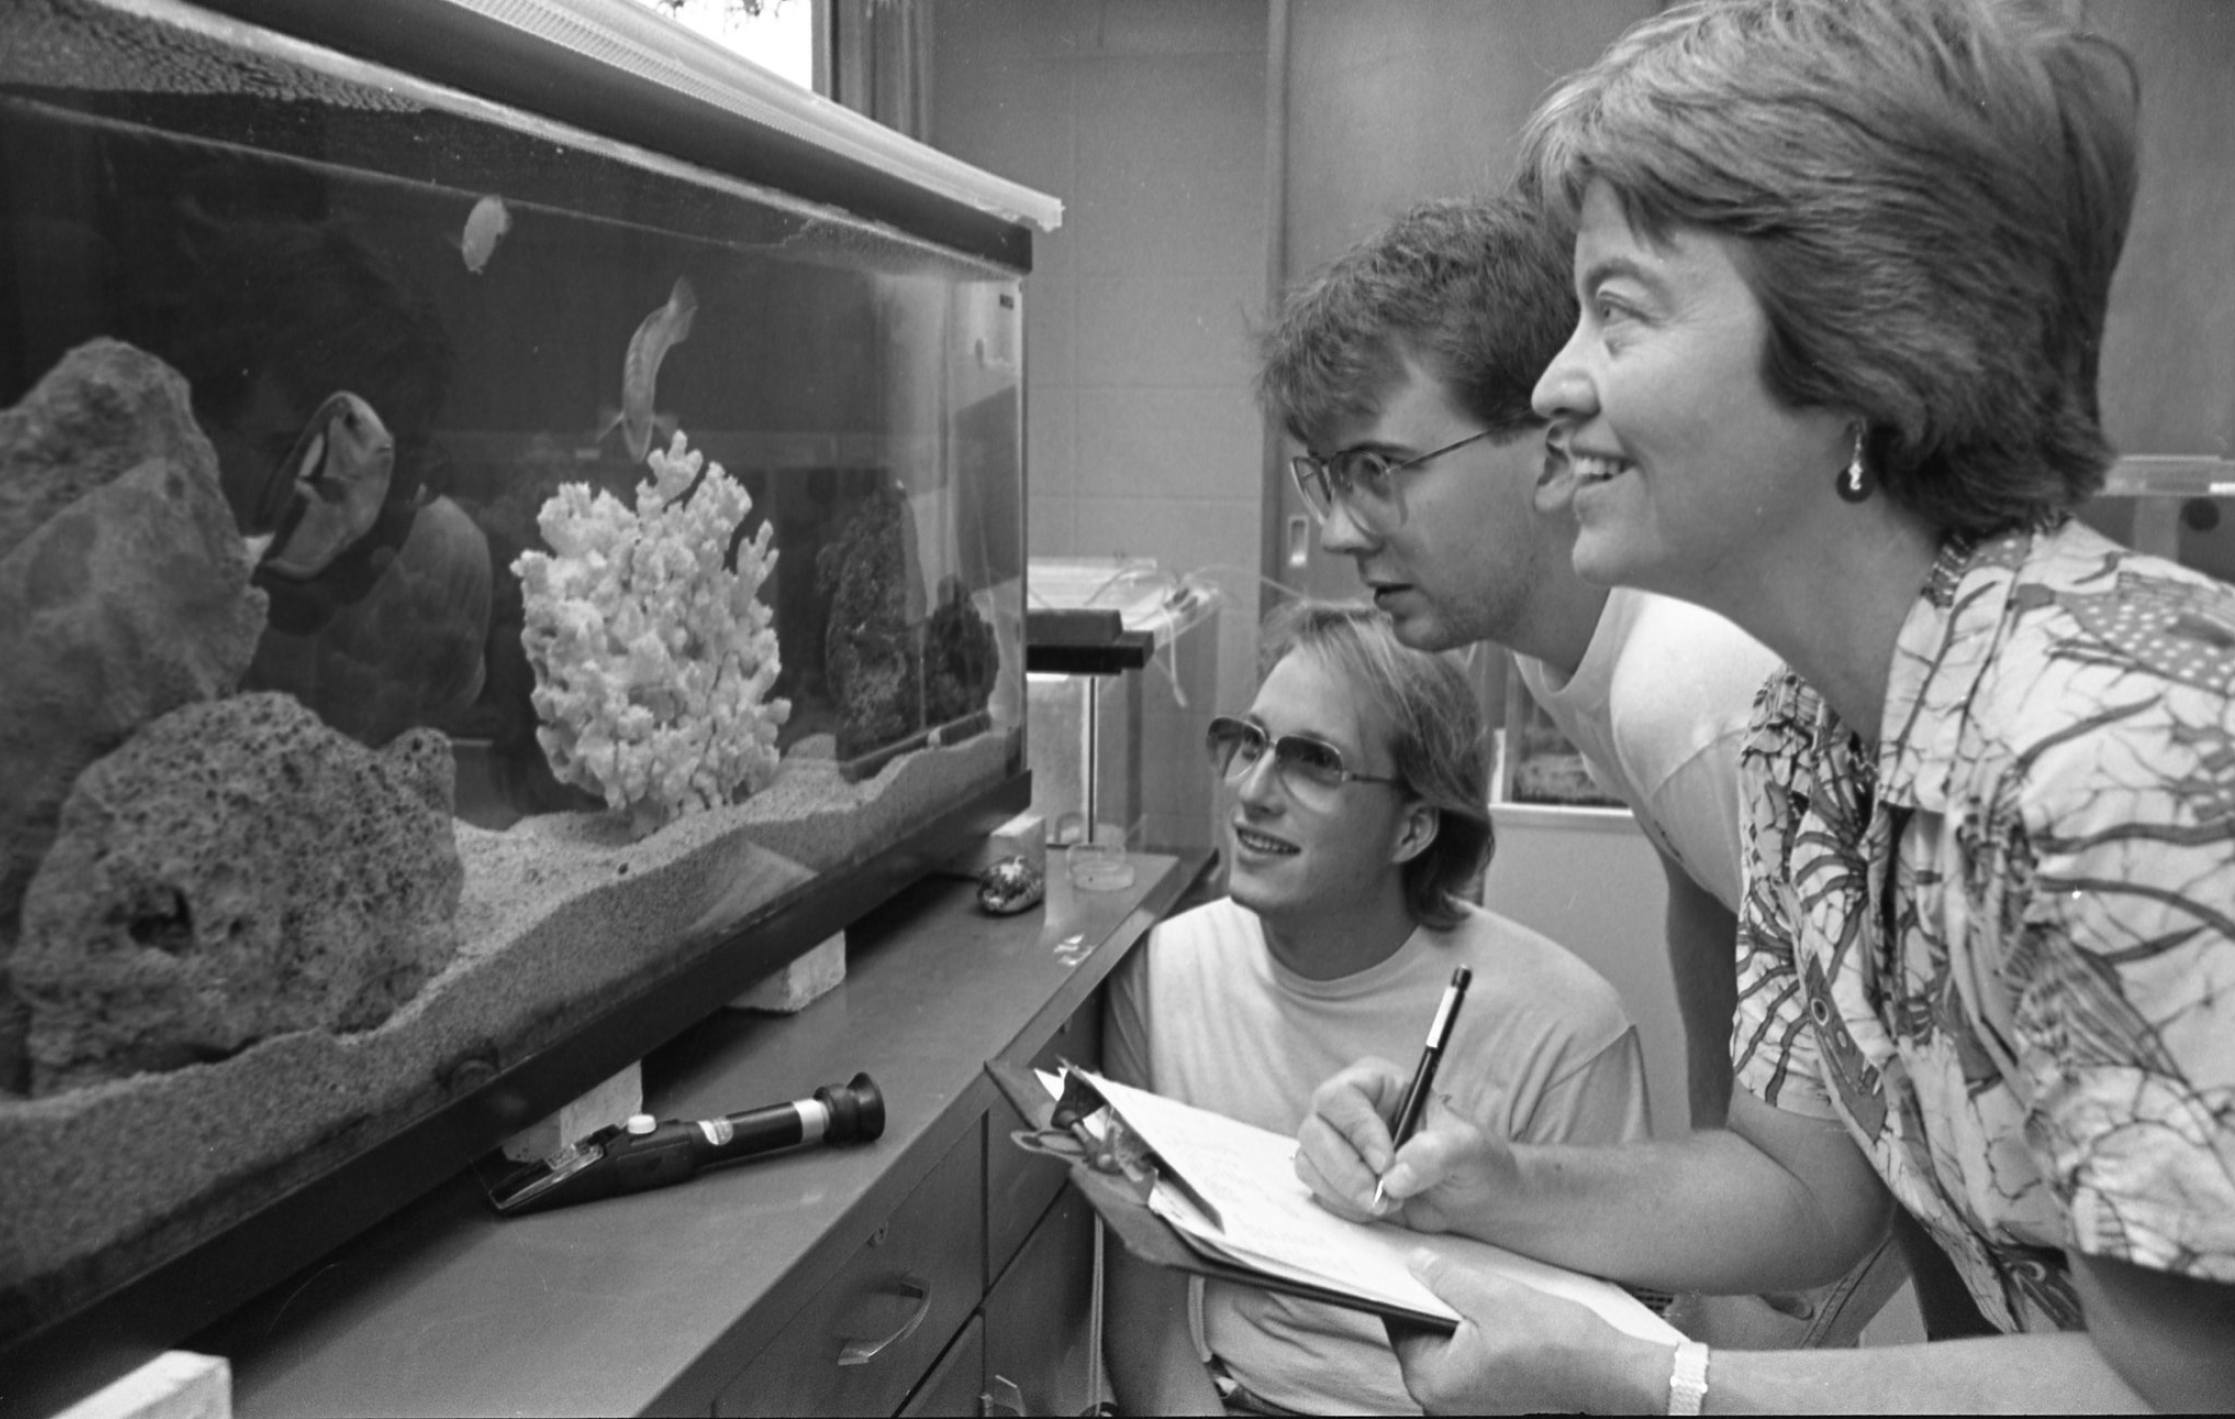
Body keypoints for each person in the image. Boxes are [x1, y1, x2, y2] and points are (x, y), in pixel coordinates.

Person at [1295, 0, 2235, 1410]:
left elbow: (2177, 1388)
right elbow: (1799, 1183)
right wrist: (1497, 1184)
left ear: (1860, 346)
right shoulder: (1810, 739)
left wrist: (1652, 1381)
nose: (1554, 386)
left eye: (1615, 309)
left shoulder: (2109, 744)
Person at [1258, 194, 1909, 1349]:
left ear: (1549, 439)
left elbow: (1883, 1106)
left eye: (1379, 469)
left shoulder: (1691, 685)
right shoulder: (1565, 642)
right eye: (1326, 478)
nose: (1346, 531)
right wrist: (1726, 1155)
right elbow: (1716, 914)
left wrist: (1764, 1280)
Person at [1102, 599, 1650, 1415]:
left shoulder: (1566, 1031)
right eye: (1247, 743)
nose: (1252, 791)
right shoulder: (1164, 973)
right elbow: (1145, 1327)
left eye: (1313, 762)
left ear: (1413, 827)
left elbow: (1599, 1373)